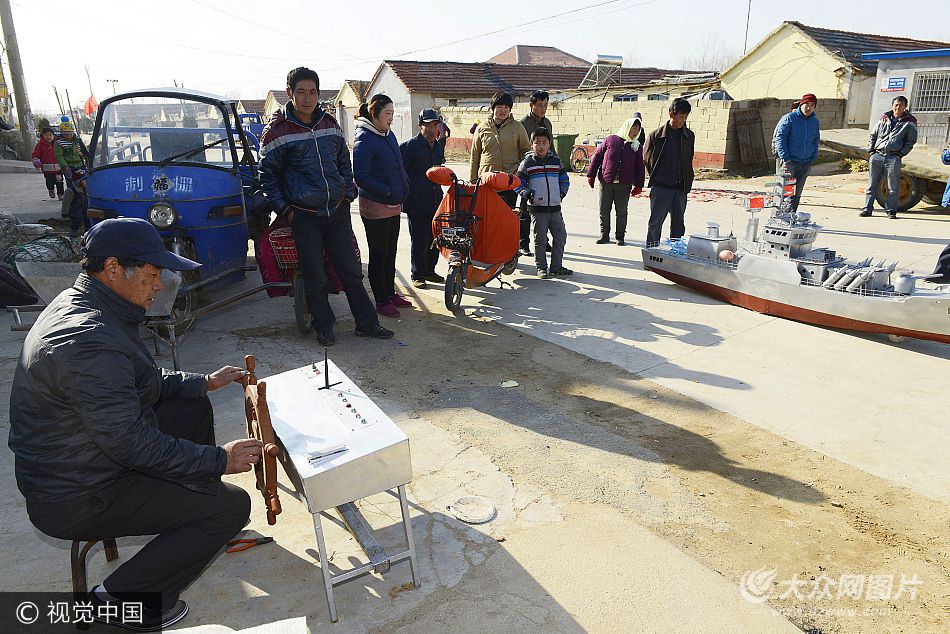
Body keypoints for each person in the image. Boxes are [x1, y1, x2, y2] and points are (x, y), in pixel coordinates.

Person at [8, 218, 263, 631]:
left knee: (192, 405)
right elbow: (130, 443)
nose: (159, 285)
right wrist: (219, 460)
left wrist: (203, 382)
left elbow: (139, 378)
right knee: (231, 506)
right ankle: (116, 600)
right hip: (77, 492)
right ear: (113, 268)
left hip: (86, 457)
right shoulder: (87, 339)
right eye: (152, 274)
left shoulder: (92, 303)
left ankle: (193, 506)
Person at [259, 67, 393, 346]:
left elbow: (344, 161)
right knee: (315, 276)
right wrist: (287, 211)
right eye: (301, 92)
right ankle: (324, 326)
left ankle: (367, 323)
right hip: (304, 216)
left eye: (312, 92)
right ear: (289, 93)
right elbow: (268, 179)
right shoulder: (276, 132)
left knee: (351, 272)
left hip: (337, 212)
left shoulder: (329, 123)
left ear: (319, 94)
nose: (307, 98)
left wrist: (347, 194)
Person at [353, 94, 411, 318]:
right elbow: (361, 175)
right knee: (379, 254)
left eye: (392, 114)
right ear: (374, 113)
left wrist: (404, 185)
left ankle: (390, 292)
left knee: (391, 252)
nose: (391, 118)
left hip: (393, 203)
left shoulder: (388, 134)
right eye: (387, 113)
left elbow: (397, 166)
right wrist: (386, 191)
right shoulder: (364, 138)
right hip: (376, 205)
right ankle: (381, 299)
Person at [515, 127, 572, 279]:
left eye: (544, 142)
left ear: (549, 143)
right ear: (532, 144)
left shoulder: (556, 162)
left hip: (555, 208)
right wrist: (528, 194)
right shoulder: (527, 163)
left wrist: (561, 193)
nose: (541, 146)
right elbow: (517, 183)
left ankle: (556, 267)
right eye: (537, 142)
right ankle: (541, 268)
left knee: (560, 237)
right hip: (537, 209)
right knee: (540, 240)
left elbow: (564, 180)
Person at [401, 108, 447, 289]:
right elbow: (400, 173)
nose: (431, 129)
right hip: (416, 201)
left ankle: (429, 270)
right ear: (420, 125)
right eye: (427, 125)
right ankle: (417, 274)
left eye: (435, 125)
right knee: (419, 240)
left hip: (435, 199)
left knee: (434, 237)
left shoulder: (438, 146)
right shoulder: (409, 147)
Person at [643, 98, 696, 247]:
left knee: (678, 225)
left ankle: (675, 253)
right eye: (681, 116)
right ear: (671, 114)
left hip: (680, 188)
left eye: (686, 116)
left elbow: (689, 158)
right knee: (655, 223)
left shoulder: (689, 136)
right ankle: (652, 251)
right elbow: (647, 159)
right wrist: (659, 176)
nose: (683, 120)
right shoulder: (656, 136)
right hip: (661, 187)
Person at [586, 116, 645, 246]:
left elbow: (640, 166)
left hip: (624, 185)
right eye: (633, 128)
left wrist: (639, 185)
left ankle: (620, 237)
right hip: (606, 182)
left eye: (637, 129)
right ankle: (604, 235)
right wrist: (591, 175)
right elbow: (597, 156)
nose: (635, 132)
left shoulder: (636, 146)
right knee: (604, 210)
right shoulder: (611, 140)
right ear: (627, 127)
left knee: (622, 212)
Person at [470, 91, 530, 213]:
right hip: (487, 181)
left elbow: (526, 151)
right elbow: (475, 155)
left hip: (509, 181)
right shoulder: (481, 128)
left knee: (506, 215)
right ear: (493, 108)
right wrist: (473, 180)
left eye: (506, 107)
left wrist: (521, 175)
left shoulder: (517, 127)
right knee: (487, 216)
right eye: (499, 107)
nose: (503, 110)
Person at [861, 95, 918, 219]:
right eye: (896, 105)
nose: (898, 107)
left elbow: (911, 141)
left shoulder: (909, 122)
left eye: (901, 105)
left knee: (893, 185)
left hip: (893, 157)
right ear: (892, 106)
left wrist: (900, 154)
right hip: (877, 155)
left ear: (905, 107)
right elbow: (873, 135)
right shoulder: (884, 118)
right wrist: (871, 151)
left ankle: (891, 210)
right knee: (872, 184)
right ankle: (867, 209)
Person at [519, 90, 554, 256]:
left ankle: (543, 240)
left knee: (545, 208)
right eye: (539, 105)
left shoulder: (547, 123)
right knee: (525, 209)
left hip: (546, 171)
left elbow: (551, 147)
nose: (543, 108)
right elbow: (521, 148)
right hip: (529, 170)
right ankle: (523, 243)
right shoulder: (523, 124)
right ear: (531, 105)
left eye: (545, 105)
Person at [773, 92, 820, 213]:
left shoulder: (814, 122)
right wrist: (785, 157)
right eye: (806, 104)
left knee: (797, 192)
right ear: (801, 104)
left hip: (805, 162)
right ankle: (780, 216)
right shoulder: (789, 118)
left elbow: (816, 139)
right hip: (790, 161)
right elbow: (780, 138)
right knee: (786, 190)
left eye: (812, 105)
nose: (808, 108)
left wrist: (813, 156)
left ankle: (792, 215)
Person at [31, 127, 64, 200]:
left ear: (53, 136)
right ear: (42, 136)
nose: (48, 137)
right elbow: (35, 155)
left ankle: (61, 194)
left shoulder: (58, 144)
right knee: (49, 182)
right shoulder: (40, 145)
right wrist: (37, 163)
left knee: (60, 181)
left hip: (58, 168)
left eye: (50, 135)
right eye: (46, 135)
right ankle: (51, 189)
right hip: (47, 169)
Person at [67, 168, 91, 237]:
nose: (86, 182)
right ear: (78, 182)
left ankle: (88, 231)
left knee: (87, 219)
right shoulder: (71, 191)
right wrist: (64, 212)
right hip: (75, 210)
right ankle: (73, 232)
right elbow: (66, 203)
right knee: (77, 221)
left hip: (85, 209)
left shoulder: (87, 191)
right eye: (84, 180)